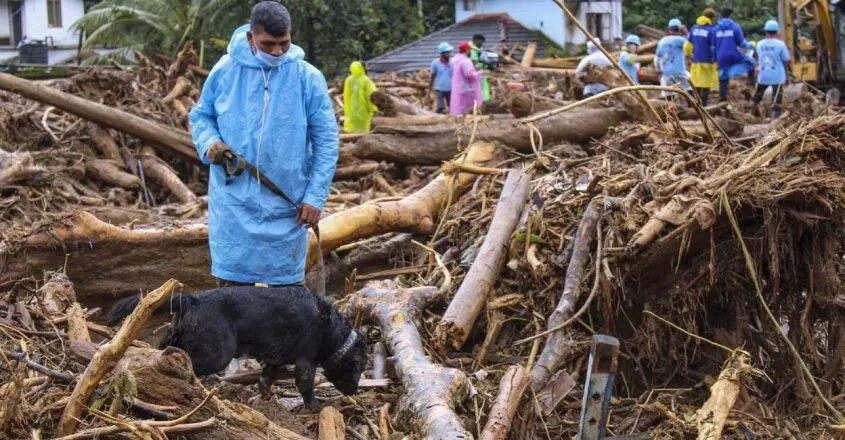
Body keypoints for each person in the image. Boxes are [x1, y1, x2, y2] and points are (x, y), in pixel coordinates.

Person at [188, 1, 339, 288]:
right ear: (250, 37)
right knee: (232, 299)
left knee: (288, 302)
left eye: (284, 43)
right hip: (234, 204)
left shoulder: (308, 78)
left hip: (288, 205)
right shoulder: (225, 71)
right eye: (268, 43)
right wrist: (209, 142)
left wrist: (315, 196)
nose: (277, 51)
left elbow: (327, 141)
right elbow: (201, 115)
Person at [752, 20, 791, 118]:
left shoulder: (759, 44)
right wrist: (786, 73)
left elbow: (757, 57)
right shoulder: (781, 44)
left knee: (757, 96)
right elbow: (786, 60)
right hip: (777, 77)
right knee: (776, 100)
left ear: (766, 31)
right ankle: (775, 120)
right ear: (777, 32)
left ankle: (751, 115)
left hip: (763, 76)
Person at [715, 7, 755, 101]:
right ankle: (750, 84)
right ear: (730, 15)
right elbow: (741, 43)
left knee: (722, 76)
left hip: (721, 57)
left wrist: (714, 58)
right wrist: (751, 45)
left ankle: (723, 98)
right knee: (751, 62)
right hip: (733, 55)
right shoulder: (735, 27)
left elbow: (713, 45)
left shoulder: (715, 29)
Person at [685, 14, 717, 104]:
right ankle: (704, 104)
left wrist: (687, 54)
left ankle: (696, 103)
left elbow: (688, 44)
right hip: (707, 61)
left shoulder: (694, 28)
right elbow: (713, 47)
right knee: (706, 83)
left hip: (696, 60)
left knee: (696, 82)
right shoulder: (711, 30)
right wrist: (715, 58)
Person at [656, 19, 692, 96]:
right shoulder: (681, 40)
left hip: (666, 73)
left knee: (669, 94)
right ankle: (692, 107)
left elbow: (657, 58)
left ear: (669, 29)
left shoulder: (662, 41)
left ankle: (671, 106)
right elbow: (691, 42)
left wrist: (658, 69)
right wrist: (686, 32)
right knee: (689, 89)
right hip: (679, 72)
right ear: (679, 29)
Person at [343, 61, 377, 133]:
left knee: (353, 127)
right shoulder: (366, 80)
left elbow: (346, 95)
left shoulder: (349, 80)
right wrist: (374, 108)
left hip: (352, 109)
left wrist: (347, 108)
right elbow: (371, 95)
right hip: (363, 108)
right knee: (363, 128)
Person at [450, 41, 483, 115]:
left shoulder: (453, 59)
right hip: (467, 88)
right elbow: (469, 75)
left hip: (457, 88)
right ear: (467, 50)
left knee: (458, 104)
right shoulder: (465, 61)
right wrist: (480, 73)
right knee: (467, 107)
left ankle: (457, 117)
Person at [430, 42, 454, 114]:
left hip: (450, 87)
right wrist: (430, 87)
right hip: (439, 88)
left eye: (449, 52)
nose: (449, 54)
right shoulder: (435, 63)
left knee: (451, 105)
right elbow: (433, 75)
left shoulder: (452, 62)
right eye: (447, 52)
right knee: (440, 106)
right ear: (442, 53)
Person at [469, 33, 491, 101]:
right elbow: (473, 64)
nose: (482, 44)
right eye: (480, 42)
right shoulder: (472, 50)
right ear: (475, 40)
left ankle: (483, 102)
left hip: (480, 72)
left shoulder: (479, 49)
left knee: (483, 88)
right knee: (478, 89)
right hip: (476, 73)